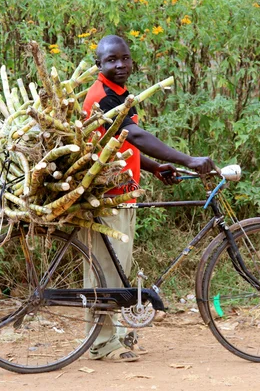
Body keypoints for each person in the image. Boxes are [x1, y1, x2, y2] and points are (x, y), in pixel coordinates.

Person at [82, 35, 216, 362]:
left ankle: (118, 334)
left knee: (118, 270)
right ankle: (101, 344)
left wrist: (155, 168)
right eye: (111, 60)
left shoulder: (121, 95)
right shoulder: (102, 97)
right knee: (105, 273)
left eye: (124, 59)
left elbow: (126, 143)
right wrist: (189, 160)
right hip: (105, 196)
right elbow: (139, 136)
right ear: (99, 65)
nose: (120, 65)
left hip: (123, 195)